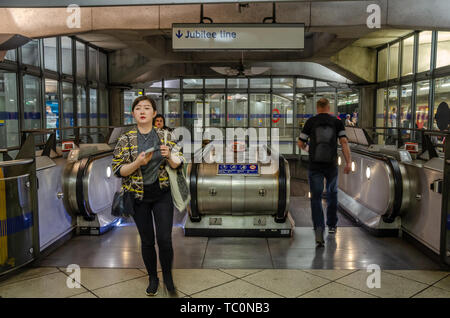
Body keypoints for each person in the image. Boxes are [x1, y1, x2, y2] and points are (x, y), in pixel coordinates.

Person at [112, 96, 184, 296]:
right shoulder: (125, 140)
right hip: (137, 197)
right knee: (146, 240)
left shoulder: (166, 136)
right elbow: (118, 170)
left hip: (162, 194)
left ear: (154, 113)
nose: (142, 111)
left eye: (147, 108)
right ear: (133, 113)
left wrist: (169, 156)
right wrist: (137, 163)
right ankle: (153, 277)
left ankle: (168, 277)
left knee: (164, 239)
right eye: (138, 108)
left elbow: (179, 163)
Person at [297, 98, 352, 247]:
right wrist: (348, 162)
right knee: (332, 193)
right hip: (331, 164)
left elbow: (301, 142)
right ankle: (332, 225)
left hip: (315, 165)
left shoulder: (310, 122)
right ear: (329, 107)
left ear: (317, 108)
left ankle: (319, 229)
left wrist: (310, 150)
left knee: (316, 197)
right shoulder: (337, 122)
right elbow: (344, 142)